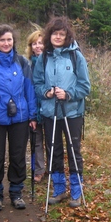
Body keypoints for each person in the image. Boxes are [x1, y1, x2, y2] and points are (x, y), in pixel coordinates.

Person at [33, 17, 91, 208]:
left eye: (62, 34)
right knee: (54, 150)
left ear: (67, 36)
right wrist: (47, 92)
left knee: (74, 150)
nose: (58, 37)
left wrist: (68, 94)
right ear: (49, 35)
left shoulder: (76, 57)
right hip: (50, 112)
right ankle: (59, 189)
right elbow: (37, 83)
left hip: (72, 112)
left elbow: (85, 87)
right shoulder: (44, 57)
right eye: (55, 34)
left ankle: (76, 191)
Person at [0, 25, 37, 211]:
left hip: (20, 116)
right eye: (2, 40)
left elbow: (30, 90)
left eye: (9, 40)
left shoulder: (21, 62)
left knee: (18, 155)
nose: (6, 43)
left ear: (14, 41)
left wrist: (32, 115)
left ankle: (16, 191)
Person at [26, 28, 46, 183]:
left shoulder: (50, 62)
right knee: (36, 141)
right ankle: (39, 170)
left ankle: (53, 168)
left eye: (40, 43)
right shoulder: (27, 65)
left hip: (49, 108)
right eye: (34, 43)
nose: (37, 46)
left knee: (53, 141)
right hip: (33, 108)